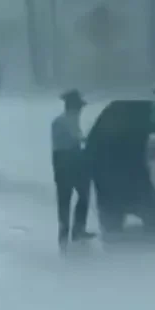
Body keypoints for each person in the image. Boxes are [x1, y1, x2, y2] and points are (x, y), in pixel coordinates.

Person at [51, 89, 96, 250]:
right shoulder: (63, 121)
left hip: (68, 163)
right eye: (79, 107)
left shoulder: (69, 120)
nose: (81, 110)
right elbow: (74, 140)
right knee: (68, 200)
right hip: (66, 164)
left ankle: (75, 231)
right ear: (73, 107)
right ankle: (69, 235)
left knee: (79, 196)